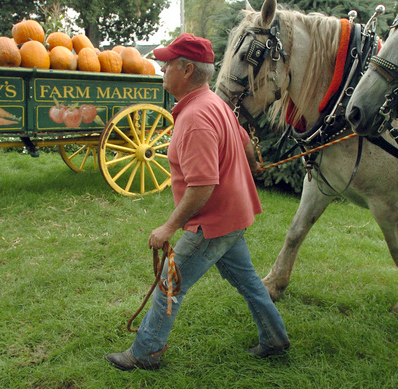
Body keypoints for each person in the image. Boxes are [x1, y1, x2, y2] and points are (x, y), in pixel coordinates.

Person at [105, 33, 289, 371]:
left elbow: (202, 186)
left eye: (167, 64)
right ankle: (275, 339)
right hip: (235, 214)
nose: (162, 68)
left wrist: (168, 226)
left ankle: (145, 353)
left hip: (214, 221)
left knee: (169, 284)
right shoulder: (213, 102)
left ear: (187, 69)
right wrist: (253, 161)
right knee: (248, 281)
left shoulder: (194, 119)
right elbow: (246, 140)